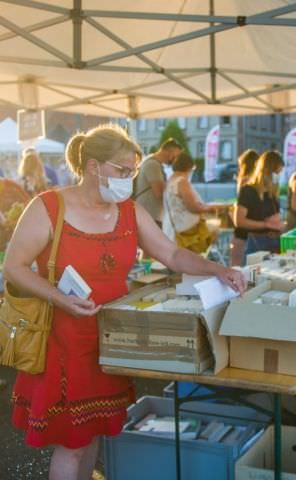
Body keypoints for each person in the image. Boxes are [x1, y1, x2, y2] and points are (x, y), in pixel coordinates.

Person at [4, 124, 245, 480]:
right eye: (121, 171)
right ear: (92, 167)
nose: (128, 179)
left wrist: (217, 269)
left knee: (94, 433)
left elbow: (172, 255)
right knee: (72, 442)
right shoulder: (48, 207)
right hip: (62, 342)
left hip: (111, 342)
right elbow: (13, 267)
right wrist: (59, 298)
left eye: (132, 172)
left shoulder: (129, 211)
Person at [234, 150, 285, 261]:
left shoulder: (272, 192)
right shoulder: (248, 190)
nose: (277, 177)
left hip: (273, 244)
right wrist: (267, 224)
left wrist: (278, 221)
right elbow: (239, 221)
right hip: (256, 245)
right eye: (276, 173)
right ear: (266, 171)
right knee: (253, 277)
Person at [163, 152, 218, 253]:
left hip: (174, 227)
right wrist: (209, 208)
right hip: (188, 229)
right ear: (189, 167)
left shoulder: (170, 180)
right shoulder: (182, 182)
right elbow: (192, 207)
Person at [134, 138, 183, 227]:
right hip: (150, 217)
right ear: (169, 151)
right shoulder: (153, 165)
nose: (176, 160)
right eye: (176, 156)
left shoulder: (154, 163)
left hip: (150, 216)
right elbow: (159, 192)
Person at [231, 149, 259, 266]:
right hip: (250, 224)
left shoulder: (243, 180)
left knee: (237, 263)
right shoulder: (252, 181)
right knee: (244, 263)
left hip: (243, 229)